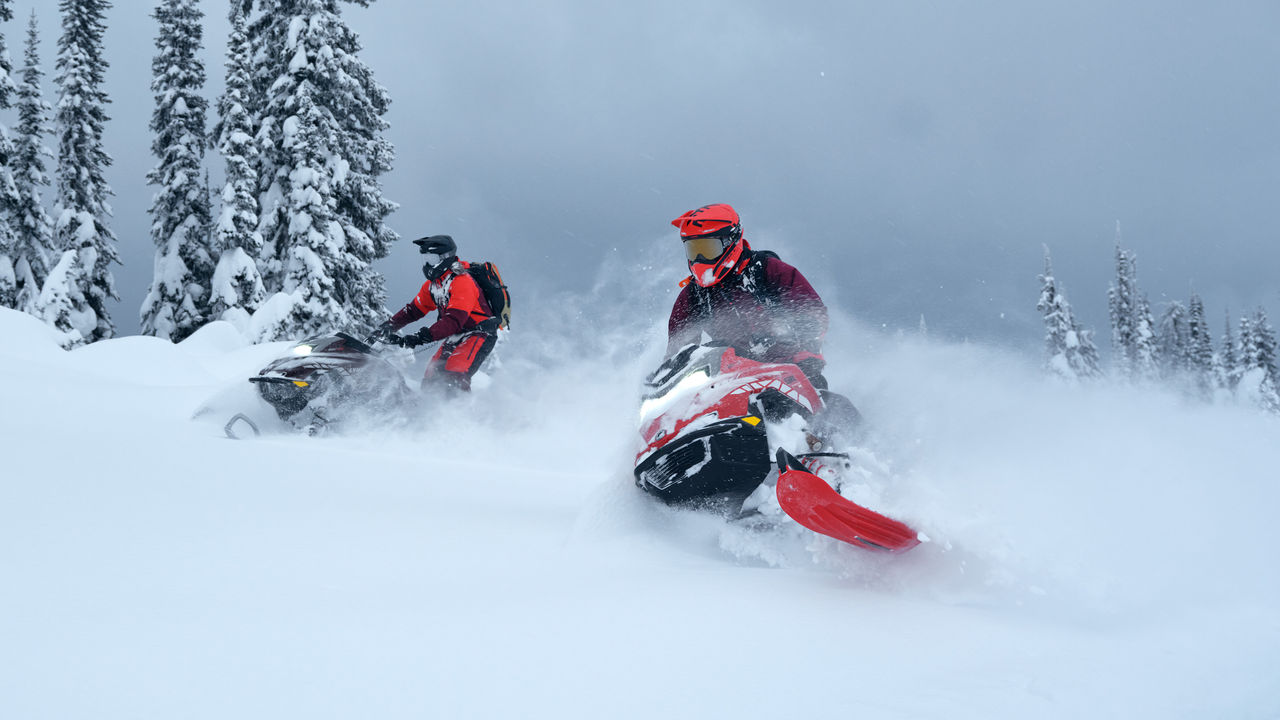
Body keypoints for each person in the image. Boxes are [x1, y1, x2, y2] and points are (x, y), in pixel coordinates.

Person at [666, 203, 859, 440]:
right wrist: (669, 376)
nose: (699, 258)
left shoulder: (767, 270)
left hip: (791, 368)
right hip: (731, 379)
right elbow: (679, 349)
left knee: (797, 413)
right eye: (693, 250)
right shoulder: (693, 296)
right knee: (693, 418)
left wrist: (796, 337)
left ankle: (825, 454)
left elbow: (811, 311)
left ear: (731, 241)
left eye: (707, 248)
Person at [377, 235, 499, 393]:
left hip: (479, 333)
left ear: (445, 258)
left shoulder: (463, 282)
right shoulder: (434, 285)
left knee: (454, 373)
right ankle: (425, 413)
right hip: (457, 334)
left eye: (432, 259)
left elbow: (454, 320)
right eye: (425, 258)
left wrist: (420, 337)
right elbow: (413, 311)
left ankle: (459, 414)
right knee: (432, 376)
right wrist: (386, 328)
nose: (428, 264)